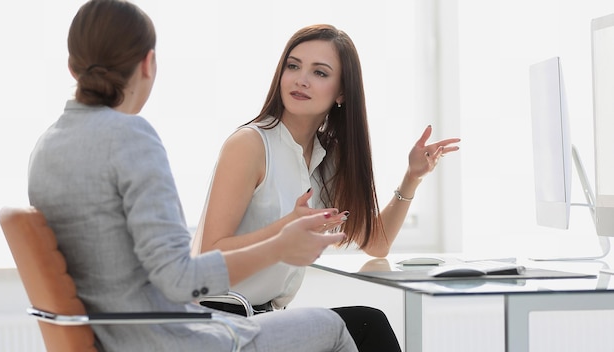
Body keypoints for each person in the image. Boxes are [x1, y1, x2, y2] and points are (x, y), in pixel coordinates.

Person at [27, 2, 358, 351]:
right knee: (333, 327)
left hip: (115, 336)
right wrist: (280, 245)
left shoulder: (46, 146)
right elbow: (181, 279)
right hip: (162, 340)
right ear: (148, 64)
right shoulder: (131, 138)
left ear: (71, 67)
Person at [193, 24, 460, 351]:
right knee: (367, 325)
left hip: (263, 319)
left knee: (365, 324)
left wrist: (413, 177)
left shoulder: (327, 157)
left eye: (319, 72)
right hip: (214, 320)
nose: (300, 79)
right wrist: (285, 229)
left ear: (342, 92)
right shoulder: (249, 144)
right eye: (293, 66)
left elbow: (377, 243)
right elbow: (209, 255)